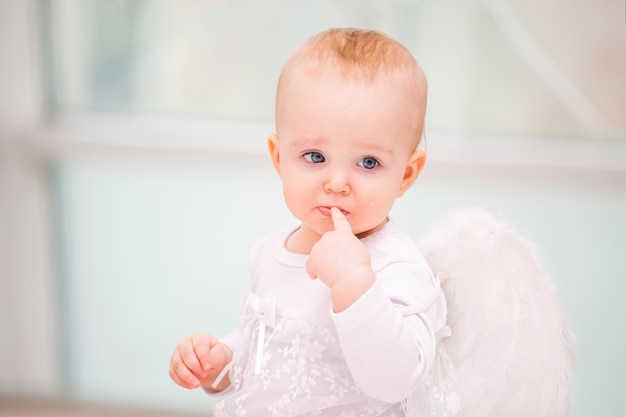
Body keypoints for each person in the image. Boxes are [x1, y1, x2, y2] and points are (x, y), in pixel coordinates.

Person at [169, 27, 447, 416]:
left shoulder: (397, 267)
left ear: (405, 174)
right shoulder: (268, 253)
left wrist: (355, 283)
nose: (337, 183)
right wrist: (221, 361)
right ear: (279, 158)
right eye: (315, 157)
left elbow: (396, 381)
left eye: (368, 163)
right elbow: (264, 349)